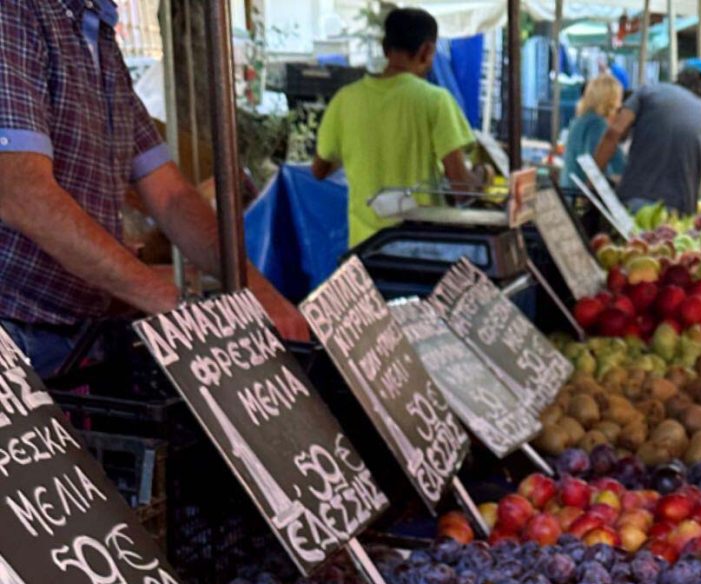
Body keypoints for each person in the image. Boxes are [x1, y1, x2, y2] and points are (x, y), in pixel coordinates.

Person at [0, 0, 307, 377]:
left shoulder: (98, 36)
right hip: (15, 337)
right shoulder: (15, 13)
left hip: (76, 334)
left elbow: (170, 194)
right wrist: (176, 308)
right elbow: (22, 194)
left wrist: (256, 290)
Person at [313, 8, 482, 247]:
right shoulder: (435, 101)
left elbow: (319, 170)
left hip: (364, 252)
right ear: (427, 51)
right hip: (421, 252)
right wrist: (480, 176)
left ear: (385, 47)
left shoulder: (344, 100)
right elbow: (463, 190)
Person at [591, 60, 701, 215]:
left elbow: (614, 132)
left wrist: (592, 182)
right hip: (679, 214)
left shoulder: (648, 92)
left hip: (632, 204)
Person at [560, 75, 626, 192]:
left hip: (572, 194)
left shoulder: (581, 120)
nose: (620, 104)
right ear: (610, 99)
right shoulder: (597, 124)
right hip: (586, 200)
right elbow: (595, 166)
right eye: (619, 98)